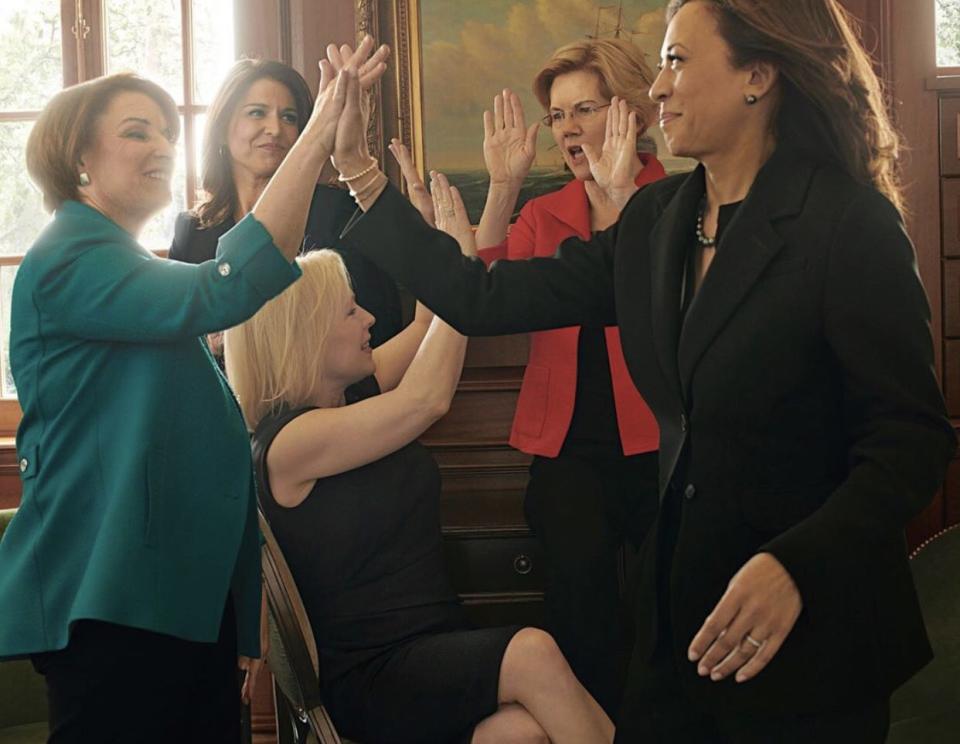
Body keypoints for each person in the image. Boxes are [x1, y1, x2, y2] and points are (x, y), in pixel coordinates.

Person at [326, 3, 957, 741]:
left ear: (758, 74)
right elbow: (479, 295)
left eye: (678, 61)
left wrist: (797, 566)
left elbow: (909, 441)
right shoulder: (658, 221)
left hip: (811, 635)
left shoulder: (849, 223)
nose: (656, 88)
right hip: (680, 624)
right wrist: (359, 172)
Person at [0, 40, 373, 743]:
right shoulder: (70, 258)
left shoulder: (130, 269)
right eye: (137, 131)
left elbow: (207, 445)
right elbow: (228, 287)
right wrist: (320, 129)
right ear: (78, 159)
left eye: (169, 132)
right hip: (109, 605)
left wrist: (238, 616)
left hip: (175, 606)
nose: (164, 145)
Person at [224, 163, 614, 744]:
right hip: (374, 673)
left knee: (525, 734)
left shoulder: (355, 394)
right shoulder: (287, 444)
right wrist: (464, 269)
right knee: (532, 651)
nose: (371, 320)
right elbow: (427, 399)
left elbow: (439, 313)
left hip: (431, 647)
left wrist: (448, 234)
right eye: (351, 311)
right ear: (304, 335)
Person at [391, 38, 663, 716]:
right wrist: (505, 187)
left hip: (667, 447)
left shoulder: (679, 203)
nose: (568, 128)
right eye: (558, 115)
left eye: (585, 109)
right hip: (568, 450)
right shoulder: (546, 215)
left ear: (633, 113)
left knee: (671, 613)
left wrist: (623, 193)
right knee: (580, 617)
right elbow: (485, 286)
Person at [170, 56, 402, 353]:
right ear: (222, 128)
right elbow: (178, 338)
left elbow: (381, 327)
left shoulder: (339, 213)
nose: (275, 129)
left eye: (289, 118)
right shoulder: (192, 229)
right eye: (257, 113)